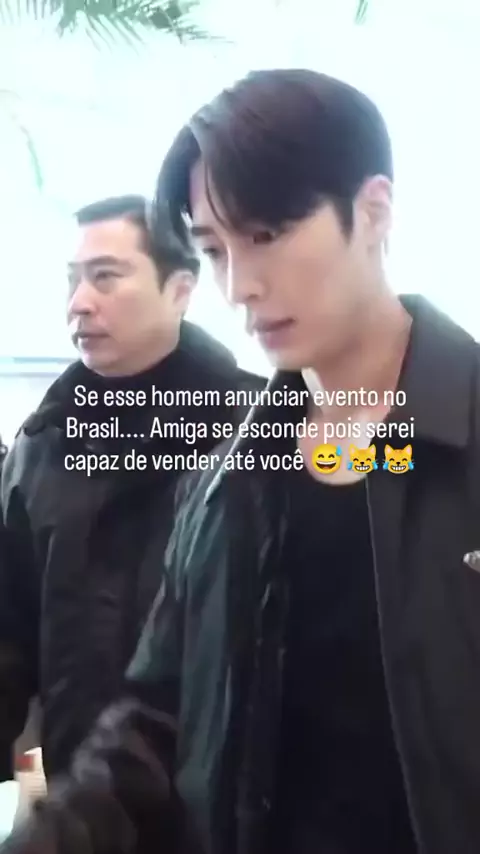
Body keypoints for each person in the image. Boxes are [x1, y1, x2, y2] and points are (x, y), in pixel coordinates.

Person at [3, 69, 480, 854]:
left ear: (372, 211)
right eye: (213, 249)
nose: (240, 285)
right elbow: (154, 725)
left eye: (266, 235)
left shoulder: (456, 440)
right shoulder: (230, 480)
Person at [0, 193, 264, 785]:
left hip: (217, 804)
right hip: (82, 803)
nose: (79, 303)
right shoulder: (41, 446)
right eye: (72, 280)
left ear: (180, 289)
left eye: (105, 277)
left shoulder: (256, 435)